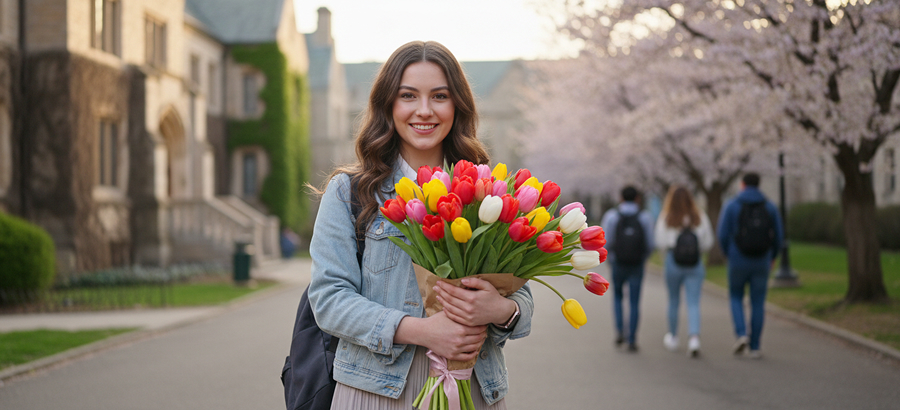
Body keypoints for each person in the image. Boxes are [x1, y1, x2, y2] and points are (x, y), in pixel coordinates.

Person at [306, 41, 533, 409]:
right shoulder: (351, 193)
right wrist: (423, 332)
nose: (424, 110)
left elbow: (519, 293)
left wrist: (502, 311)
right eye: (408, 96)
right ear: (388, 105)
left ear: (457, 104)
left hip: (474, 390)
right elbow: (329, 299)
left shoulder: (486, 192)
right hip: (376, 391)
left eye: (439, 96)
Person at [717, 173, 783, 359]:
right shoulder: (769, 206)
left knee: (736, 296)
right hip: (762, 260)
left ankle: (741, 334)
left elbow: (722, 234)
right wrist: (773, 256)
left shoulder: (732, 205)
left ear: (742, 184)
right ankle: (755, 346)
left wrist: (727, 253)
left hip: (737, 259)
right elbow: (778, 236)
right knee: (758, 302)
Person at [653, 186, 714, 357]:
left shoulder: (666, 217)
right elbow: (708, 241)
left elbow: (659, 241)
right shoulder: (699, 216)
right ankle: (694, 338)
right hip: (695, 263)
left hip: (673, 260)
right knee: (693, 302)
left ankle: (672, 336)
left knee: (673, 300)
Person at [601, 185, 655, 352]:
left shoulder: (611, 216)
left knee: (617, 297)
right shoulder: (645, 217)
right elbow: (650, 244)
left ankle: (619, 332)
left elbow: (605, 240)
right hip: (637, 264)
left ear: (621, 198)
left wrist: (611, 258)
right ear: (637, 198)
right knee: (634, 301)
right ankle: (632, 338)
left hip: (618, 262)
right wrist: (643, 258)